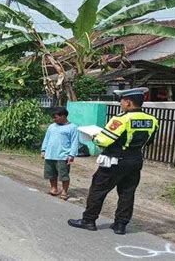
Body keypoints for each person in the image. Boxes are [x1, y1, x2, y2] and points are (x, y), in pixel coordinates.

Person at [68, 87, 158, 235]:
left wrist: (94, 136)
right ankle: (120, 225)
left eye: (121, 101)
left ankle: (89, 220)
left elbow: (103, 141)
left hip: (115, 161)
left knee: (98, 189)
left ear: (128, 102)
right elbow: (149, 142)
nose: (120, 104)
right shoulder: (152, 120)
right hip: (135, 160)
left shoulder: (121, 119)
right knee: (127, 193)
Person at [41, 107, 79, 200]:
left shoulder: (72, 127)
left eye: (56, 117)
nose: (54, 119)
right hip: (50, 154)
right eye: (53, 118)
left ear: (63, 116)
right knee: (51, 174)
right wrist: (43, 150)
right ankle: (54, 188)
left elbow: (75, 142)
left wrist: (71, 155)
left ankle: (64, 191)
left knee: (63, 175)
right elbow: (46, 139)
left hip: (63, 156)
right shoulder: (51, 126)